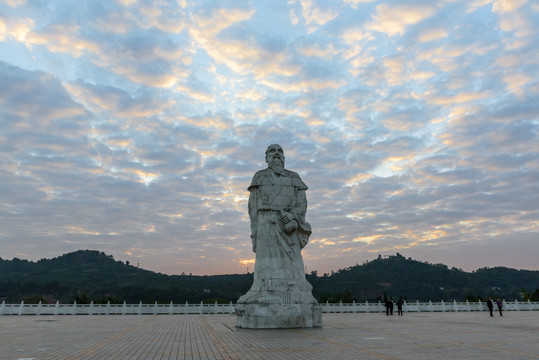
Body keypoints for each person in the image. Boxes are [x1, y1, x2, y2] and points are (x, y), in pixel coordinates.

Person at [235, 144, 321, 328]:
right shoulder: (260, 176)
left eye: (279, 152)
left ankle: (297, 295)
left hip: (287, 224)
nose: (276, 155)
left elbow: (302, 204)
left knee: (292, 265)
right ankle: (261, 291)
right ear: (266, 158)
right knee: (266, 264)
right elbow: (252, 207)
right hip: (266, 222)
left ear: (284, 157)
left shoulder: (294, 177)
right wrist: (255, 230)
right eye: (272, 152)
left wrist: (293, 215)